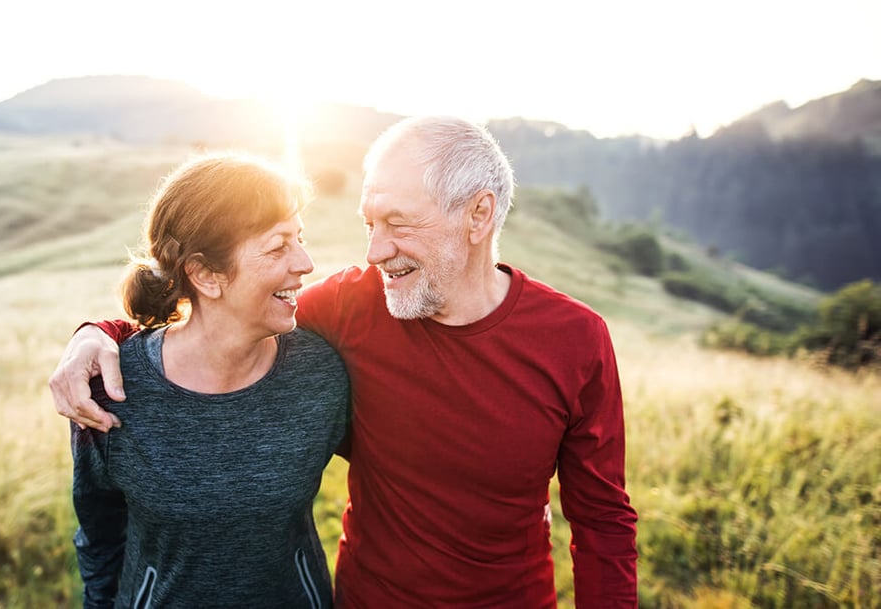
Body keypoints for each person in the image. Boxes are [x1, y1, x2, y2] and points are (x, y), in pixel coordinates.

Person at [51, 116, 638, 607]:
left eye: (398, 224)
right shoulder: (354, 306)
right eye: (369, 224)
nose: (375, 250)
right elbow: (222, 316)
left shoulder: (576, 340)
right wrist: (97, 334)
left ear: (479, 216)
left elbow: (603, 520)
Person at [67, 153, 350, 608]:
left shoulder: (319, 374)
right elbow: (99, 534)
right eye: (278, 246)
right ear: (204, 275)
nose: (306, 263)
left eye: (300, 239)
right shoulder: (113, 391)